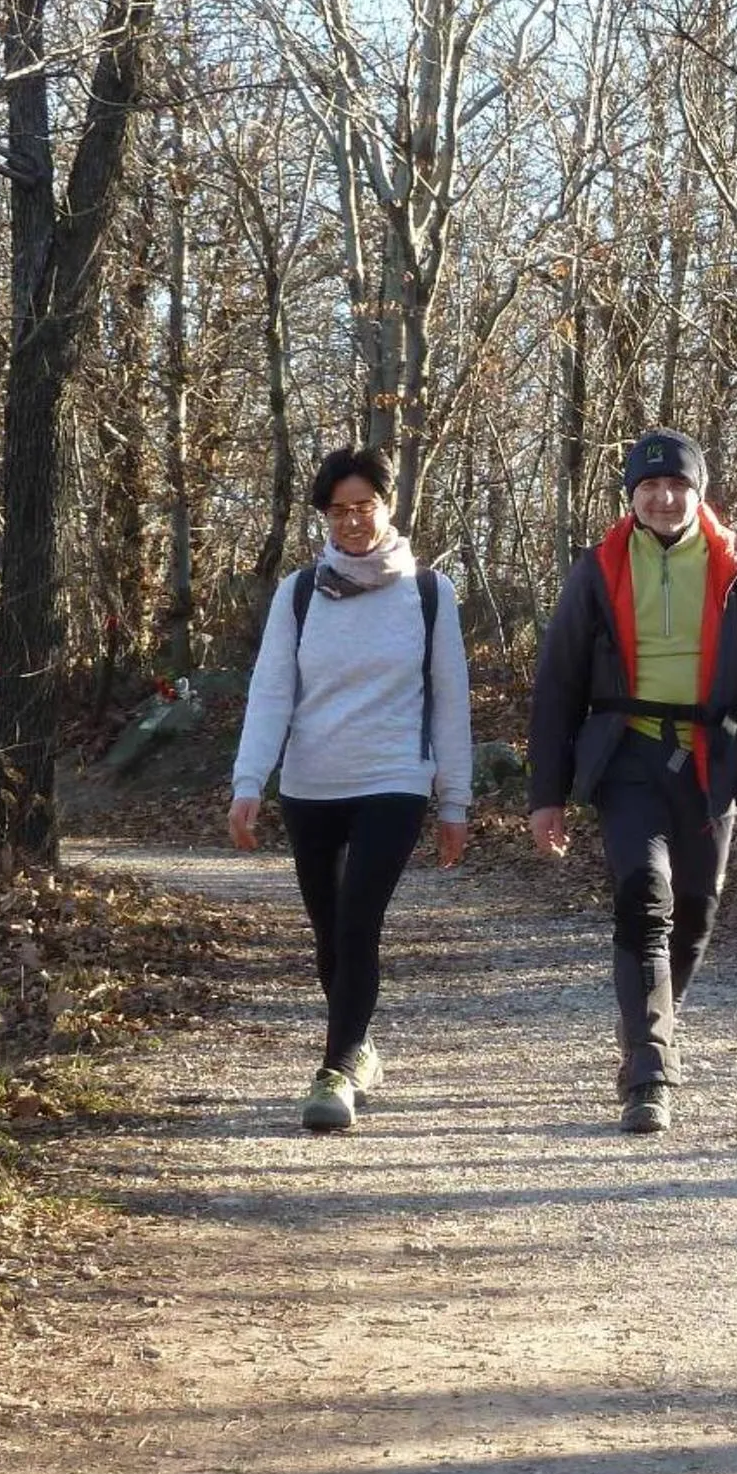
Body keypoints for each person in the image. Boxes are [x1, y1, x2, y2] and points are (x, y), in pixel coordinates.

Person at [528, 427, 737, 1133]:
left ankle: (647, 1027)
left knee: (696, 909)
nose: (663, 496)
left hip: (712, 759)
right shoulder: (598, 569)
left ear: (696, 491)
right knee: (642, 896)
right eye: (649, 486)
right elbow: (556, 686)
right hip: (628, 756)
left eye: (676, 484)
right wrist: (546, 795)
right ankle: (650, 1071)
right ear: (631, 496)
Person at [230, 447, 473, 1132]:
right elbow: (272, 690)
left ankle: (334, 1072)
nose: (352, 521)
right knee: (330, 935)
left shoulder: (429, 593)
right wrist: (250, 781)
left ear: (389, 506)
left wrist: (454, 800)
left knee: (360, 919)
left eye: (364, 505)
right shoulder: (300, 593)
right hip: (311, 784)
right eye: (338, 510)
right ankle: (360, 1046)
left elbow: (450, 701)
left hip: (394, 778)